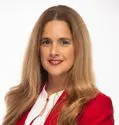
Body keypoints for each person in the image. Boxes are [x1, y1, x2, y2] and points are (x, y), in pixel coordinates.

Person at [3, 5, 114, 125]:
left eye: (64, 42)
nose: (53, 51)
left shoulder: (96, 105)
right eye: (46, 42)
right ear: (37, 48)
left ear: (79, 48)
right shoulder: (21, 99)